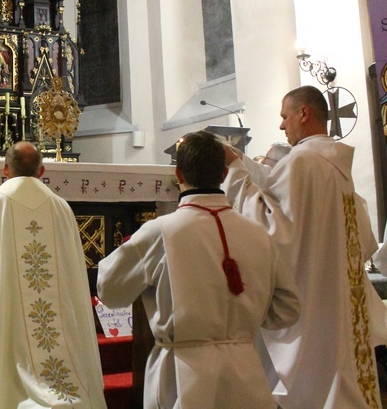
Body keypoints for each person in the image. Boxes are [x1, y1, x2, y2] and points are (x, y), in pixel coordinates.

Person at [97, 130, 300, 408]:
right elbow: (287, 310)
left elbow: (110, 291)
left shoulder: (159, 233)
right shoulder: (258, 235)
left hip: (182, 377)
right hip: (247, 373)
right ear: (222, 174)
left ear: (179, 175)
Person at [223, 85, 387, 408]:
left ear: (304, 113)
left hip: (313, 298)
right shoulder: (334, 167)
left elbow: (270, 227)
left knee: (318, 383)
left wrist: (233, 175)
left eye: (285, 116)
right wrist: (240, 161)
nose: (282, 125)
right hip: (340, 295)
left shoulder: (302, 164)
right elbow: (364, 239)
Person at [0, 141, 107, 408]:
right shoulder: (60, 207)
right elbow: (73, 273)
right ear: (42, 170)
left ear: (5, 170)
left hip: (4, 315)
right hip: (56, 315)